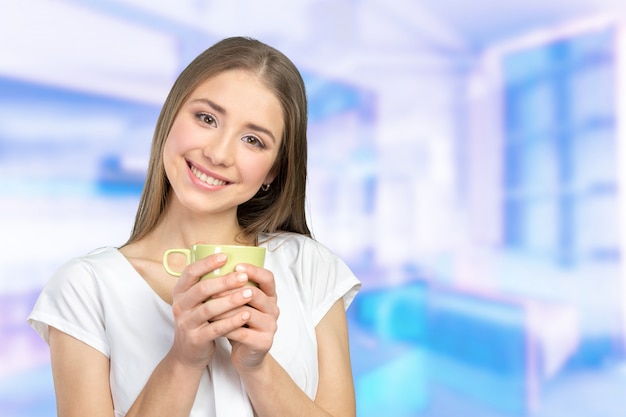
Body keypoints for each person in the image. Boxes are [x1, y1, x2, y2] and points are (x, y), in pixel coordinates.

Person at [28, 36, 361, 417]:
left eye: (253, 140)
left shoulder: (310, 269)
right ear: (171, 115)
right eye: (207, 118)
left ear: (273, 170)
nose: (218, 153)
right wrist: (183, 360)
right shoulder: (85, 289)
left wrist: (257, 366)